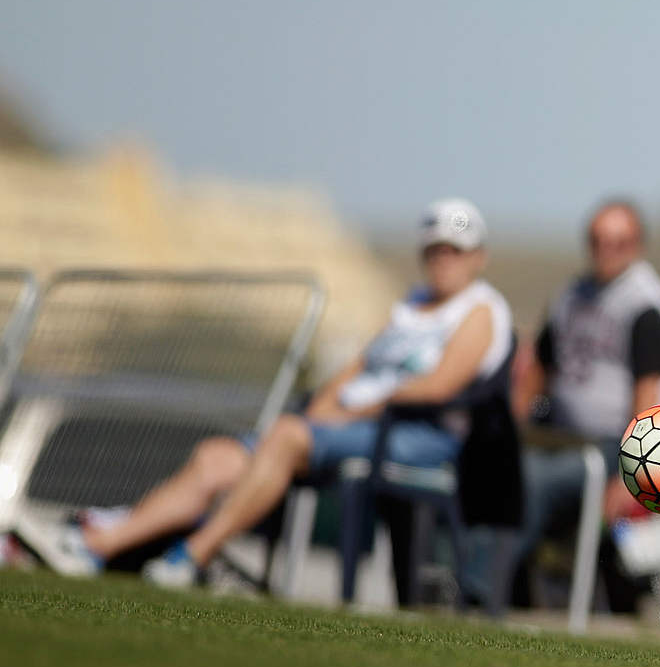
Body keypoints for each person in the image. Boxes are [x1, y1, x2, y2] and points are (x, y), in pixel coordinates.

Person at [54, 198, 515, 589]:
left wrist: (345, 412)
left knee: (288, 436)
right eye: (436, 250)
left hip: (415, 436)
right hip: (347, 424)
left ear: (479, 257)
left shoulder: (481, 310)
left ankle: (189, 557)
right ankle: (102, 545)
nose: (444, 259)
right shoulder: (412, 305)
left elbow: (439, 386)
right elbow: (358, 366)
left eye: (456, 251)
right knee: (216, 457)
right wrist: (324, 407)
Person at [511, 199, 660, 611]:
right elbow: (539, 371)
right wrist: (505, 430)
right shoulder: (572, 295)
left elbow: (648, 401)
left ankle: (483, 592)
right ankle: (509, 595)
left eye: (618, 242)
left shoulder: (645, 305)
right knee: (503, 469)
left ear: (637, 245)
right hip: (562, 436)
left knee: (533, 482)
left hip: (616, 446)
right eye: (598, 241)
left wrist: (631, 475)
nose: (606, 251)